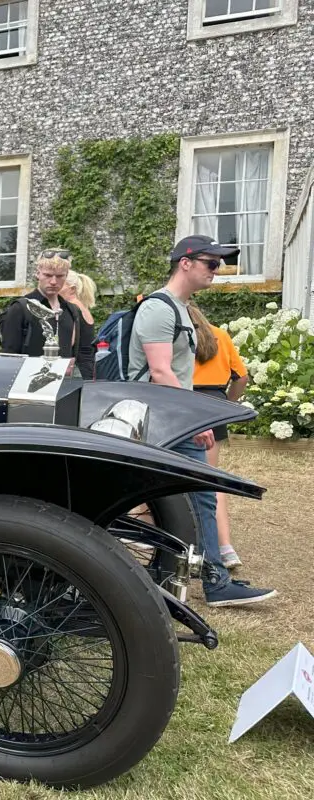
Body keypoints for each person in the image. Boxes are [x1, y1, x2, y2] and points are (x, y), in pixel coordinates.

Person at [130, 234, 275, 607]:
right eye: (212, 263)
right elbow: (161, 373)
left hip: (170, 418)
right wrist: (196, 420)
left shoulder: (180, 309)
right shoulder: (159, 309)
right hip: (163, 420)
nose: (217, 271)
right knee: (181, 498)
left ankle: (202, 578)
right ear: (186, 263)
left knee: (192, 498)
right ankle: (210, 581)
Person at [190, 302, 250, 570]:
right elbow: (241, 376)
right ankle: (225, 548)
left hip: (182, 398)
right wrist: (229, 404)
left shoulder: (175, 335)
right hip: (214, 402)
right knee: (211, 479)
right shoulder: (220, 335)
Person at [0, 250, 80, 360]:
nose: (53, 282)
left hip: (63, 376)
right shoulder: (20, 308)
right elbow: (9, 355)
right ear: (38, 274)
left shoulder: (71, 310)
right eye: (48, 275)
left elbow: (81, 353)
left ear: (66, 276)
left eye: (60, 276)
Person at [61, 270, 97, 380]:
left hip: (76, 372)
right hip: (87, 369)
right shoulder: (82, 307)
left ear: (72, 288)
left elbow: (67, 342)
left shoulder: (70, 308)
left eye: (60, 283)